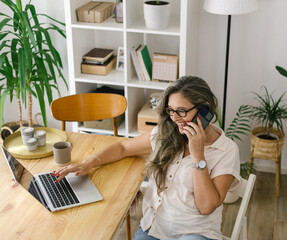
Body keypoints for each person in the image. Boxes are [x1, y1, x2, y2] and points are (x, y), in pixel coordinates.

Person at [53, 76, 241, 240]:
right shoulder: (166, 133)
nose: (175, 118)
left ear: (204, 111)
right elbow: (123, 147)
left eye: (182, 111)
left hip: (195, 233)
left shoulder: (226, 150)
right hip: (153, 227)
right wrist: (89, 163)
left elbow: (206, 206)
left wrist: (198, 155)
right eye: (171, 110)